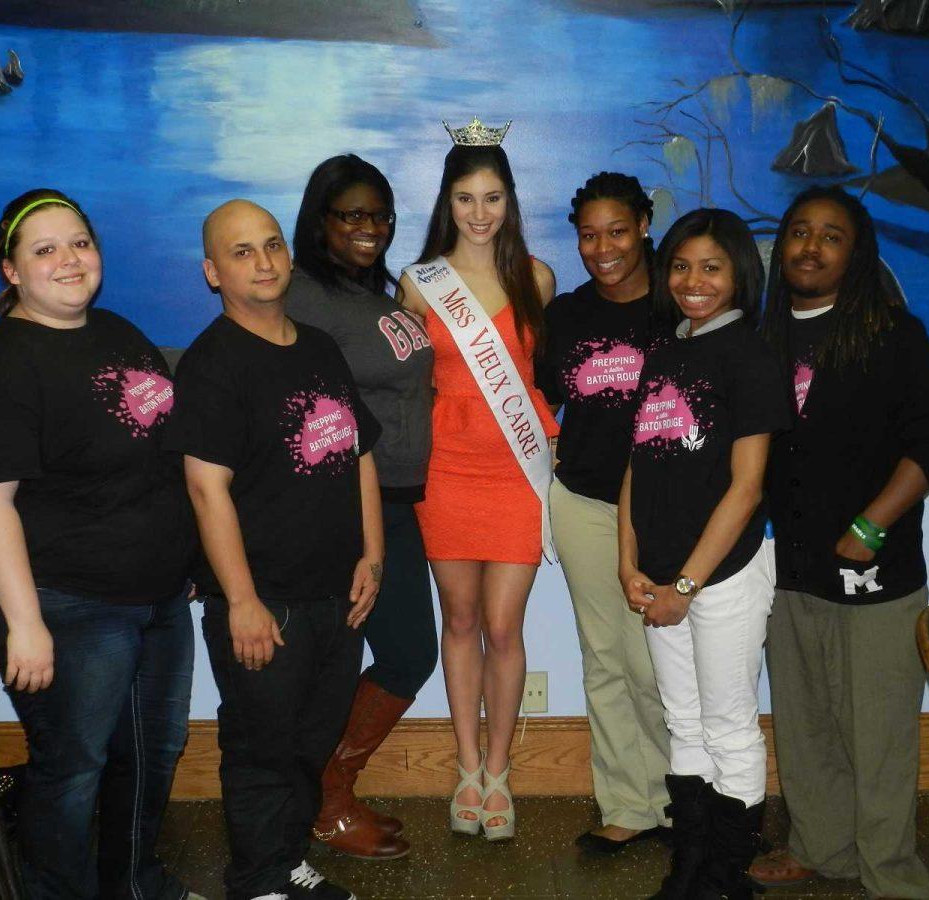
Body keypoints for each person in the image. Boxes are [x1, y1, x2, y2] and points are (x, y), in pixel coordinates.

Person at [0, 188, 199, 899]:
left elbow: (162, 451)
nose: (68, 260)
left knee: (153, 752)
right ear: (12, 271)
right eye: (45, 249)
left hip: (155, 593)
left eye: (79, 243)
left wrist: (187, 558)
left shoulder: (119, 332)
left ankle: (137, 886)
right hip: (65, 599)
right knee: (74, 766)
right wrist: (25, 625)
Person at [164, 199, 382, 900]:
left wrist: (372, 556)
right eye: (241, 252)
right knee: (262, 749)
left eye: (272, 245)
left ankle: (285, 859)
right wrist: (243, 602)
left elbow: (359, 454)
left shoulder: (319, 348)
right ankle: (258, 882)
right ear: (212, 272)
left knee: (310, 743)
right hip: (266, 604)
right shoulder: (212, 365)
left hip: (335, 595)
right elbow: (205, 490)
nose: (262, 262)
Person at [749, 187, 929, 900]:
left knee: (879, 734)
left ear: (855, 252)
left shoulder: (892, 333)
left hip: (877, 569)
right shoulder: (761, 336)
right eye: (800, 233)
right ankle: (824, 847)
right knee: (806, 726)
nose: (811, 246)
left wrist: (872, 525)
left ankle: (892, 875)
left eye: (831, 236)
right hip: (785, 571)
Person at [618, 208, 791, 899]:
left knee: (728, 729)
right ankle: (688, 870)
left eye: (711, 268)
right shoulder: (665, 351)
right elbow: (639, 466)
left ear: (740, 275)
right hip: (657, 577)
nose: (694, 281)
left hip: (722, 578)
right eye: (682, 266)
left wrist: (683, 588)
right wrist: (628, 563)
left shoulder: (750, 357)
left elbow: (746, 491)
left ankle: (726, 877)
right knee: (683, 724)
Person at [397, 118, 558, 841]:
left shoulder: (538, 280)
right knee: (459, 621)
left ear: (510, 201)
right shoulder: (420, 283)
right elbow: (402, 385)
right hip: (447, 471)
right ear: (447, 201)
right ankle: (465, 767)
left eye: (493, 197)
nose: (480, 213)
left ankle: (500, 769)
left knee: (503, 625)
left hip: (516, 473)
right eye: (466, 198)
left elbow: (547, 375)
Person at [288, 154, 437, 860]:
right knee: (395, 654)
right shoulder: (302, 295)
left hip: (397, 504)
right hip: (346, 508)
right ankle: (325, 799)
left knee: (402, 653)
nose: (370, 227)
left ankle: (327, 793)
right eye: (352, 214)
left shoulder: (373, 298)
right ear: (321, 221)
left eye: (380, 215)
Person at [534, 172, 672, 853]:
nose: (603, 248)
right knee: (607, 658)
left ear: (645, 224)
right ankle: (629, 803)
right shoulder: (566, 316)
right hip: (585, 502)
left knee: (660, 663)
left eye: (617, 231)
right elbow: (540, 407)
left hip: (667, 507)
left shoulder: (681, 307)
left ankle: (687, 799)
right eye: (588, 235)